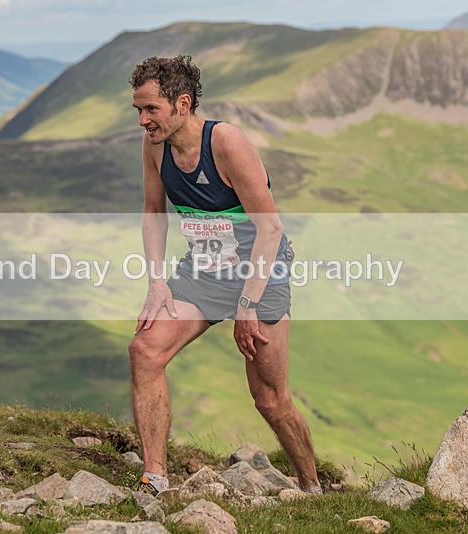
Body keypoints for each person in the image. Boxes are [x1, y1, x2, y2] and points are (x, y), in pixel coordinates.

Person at [128, 55, 321, 497]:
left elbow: (271, 229)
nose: (142, 121)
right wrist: (157, 281)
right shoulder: (155, 145)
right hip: (202, 272)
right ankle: (155, 478)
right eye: (137, 110)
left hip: (259, 272)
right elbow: (153, 211)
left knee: (270, 400)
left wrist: (247, 306)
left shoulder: (227, 143)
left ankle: (311, 487)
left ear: (182, 103)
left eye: (150, 109)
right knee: (144, 351)